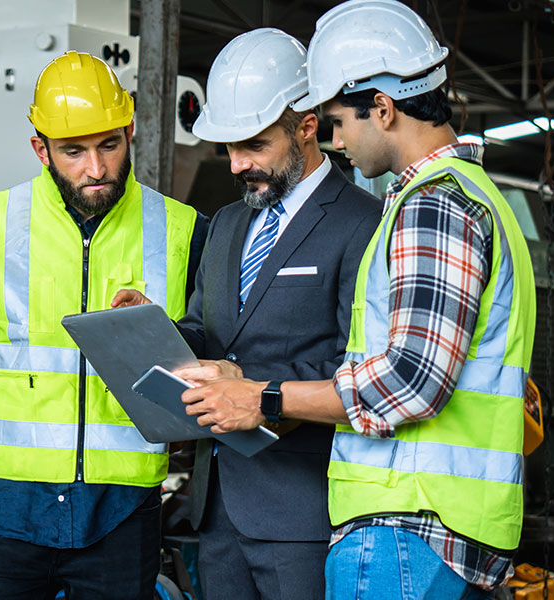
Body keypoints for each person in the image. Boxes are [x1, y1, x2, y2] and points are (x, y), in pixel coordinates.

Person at [177, 1, 536, 598]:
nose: (339, 142)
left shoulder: (432, 206)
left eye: (338, 122)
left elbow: (409, 380)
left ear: (384, 108)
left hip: (410, 523)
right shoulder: (461, 198)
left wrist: (262, 396)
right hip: (432, 525)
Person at [0, 50, 208, 599]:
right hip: (5, 518)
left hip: (122, 515)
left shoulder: (183, 231)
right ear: (41, 149)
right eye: (73, 151)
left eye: (109, 146)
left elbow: (215, 364)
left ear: (129, 131)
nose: (95, 169)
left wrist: (162, 338)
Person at [115, 28, 380, 600]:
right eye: (228, 148)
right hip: (217, 509)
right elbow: (205, 333)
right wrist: (153, 330)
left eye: (253, 146)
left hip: (304, 510)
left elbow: (358, 365)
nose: (236, 165)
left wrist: (258, 392)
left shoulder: (363, 223)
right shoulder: (229, 224)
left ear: (306, 126)